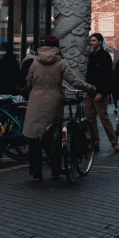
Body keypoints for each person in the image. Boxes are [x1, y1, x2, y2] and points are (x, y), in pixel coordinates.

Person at [23, 35, 95, 181]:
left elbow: (28, 81)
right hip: (53, 102)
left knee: (34, 137)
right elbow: (74, 81)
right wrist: (90, 88)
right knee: (54, 135)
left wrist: (36, 88)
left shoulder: (35, 62)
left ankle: (36, 173)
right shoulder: (60, 62)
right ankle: (55, 169)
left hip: (35, 102)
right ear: (57, 46)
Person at [85, 33, 119, 152]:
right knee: (90, 119)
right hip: (90, 91)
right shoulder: (92, 55)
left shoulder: (104, 56)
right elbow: (89, 74)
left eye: (94, 40)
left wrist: (101, 92)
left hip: (100, 92)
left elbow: (106, 76)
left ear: (100, 42)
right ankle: (94, 143)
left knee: (104, 118)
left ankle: (114, 142)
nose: (91, 42)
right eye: (91, 41)